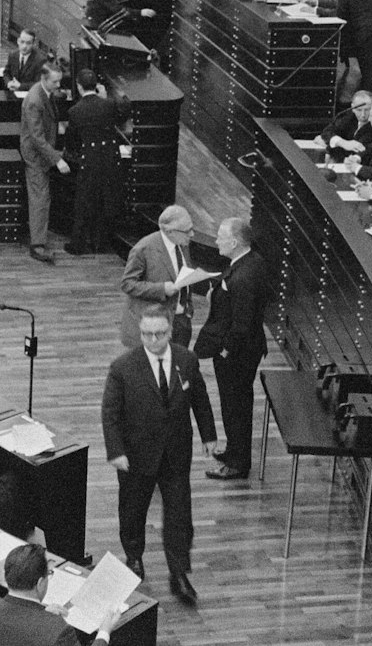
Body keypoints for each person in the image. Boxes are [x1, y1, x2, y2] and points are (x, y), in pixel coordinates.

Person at [101, 305, 217, 603]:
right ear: (140, 333)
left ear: (170, 331)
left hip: (176, 452)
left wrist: (209, 436)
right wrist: (115, 451)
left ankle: (179, 572)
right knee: (133, 509)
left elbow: (200, 400)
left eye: (160, 334)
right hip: (136, 455)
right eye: (147, 334)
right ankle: (134, 557)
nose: (153, 340)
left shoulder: (186, 360)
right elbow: (110, 414)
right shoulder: (123, 367)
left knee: (179, 514)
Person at [194, 216, 270, 480]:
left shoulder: (244, 276)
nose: (216, 241)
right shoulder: (251, 262)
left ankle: (237, 463)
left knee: (235, 406)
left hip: (237, 355)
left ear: (235, 242)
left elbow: (242, 324)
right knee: (234, 404)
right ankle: (235, 450)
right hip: (245, 350)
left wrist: (225, 351)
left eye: (220, 237)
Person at [0, 542, 118, 646]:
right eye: (49, 574)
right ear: (40, 583)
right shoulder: (58, 631)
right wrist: (104, 632)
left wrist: (40, 614)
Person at [65, 68, 127, 254]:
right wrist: (106, 96)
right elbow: (122, 112)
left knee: (84, 203)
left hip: (90, 161)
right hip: (110, 159)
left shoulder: (75, 111)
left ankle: (78, 245)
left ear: (78, 86)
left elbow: (72, 141)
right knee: (105, 202)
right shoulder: (108, 105)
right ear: (96, 85)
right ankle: (101, 244)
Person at [121, 205, 201, 349]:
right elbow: (128, 283)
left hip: (181, 322)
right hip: (156, 326)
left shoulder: (182, 243)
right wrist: (161, 289)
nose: (192, 234)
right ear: (170, 231)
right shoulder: (143, 248)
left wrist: (188, 311)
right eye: (187, 230)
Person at [19, 60, 68, 265]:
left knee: (41, 196)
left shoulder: (44, 93)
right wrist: (57, 159)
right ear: (43, 79)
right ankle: (37, 245)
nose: (59, 86)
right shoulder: (34, 100)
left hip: (43, 150)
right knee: (40, 197)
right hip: (36, 155)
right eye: (55, 82)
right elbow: (37, 138)